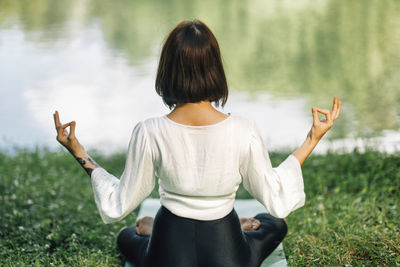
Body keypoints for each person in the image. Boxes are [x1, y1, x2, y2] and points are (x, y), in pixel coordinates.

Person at [53, 19, 341, 267]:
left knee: (126, 236)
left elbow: (119, 202)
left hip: (167, 251)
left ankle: (152, 231)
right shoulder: (243, 129)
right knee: (273, 223)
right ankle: (238, 230)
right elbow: (276, 195)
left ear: (167, 70)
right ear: (215, 68)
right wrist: (312, 138)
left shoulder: (149, 131)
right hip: (226, 251)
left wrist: (78, 151)